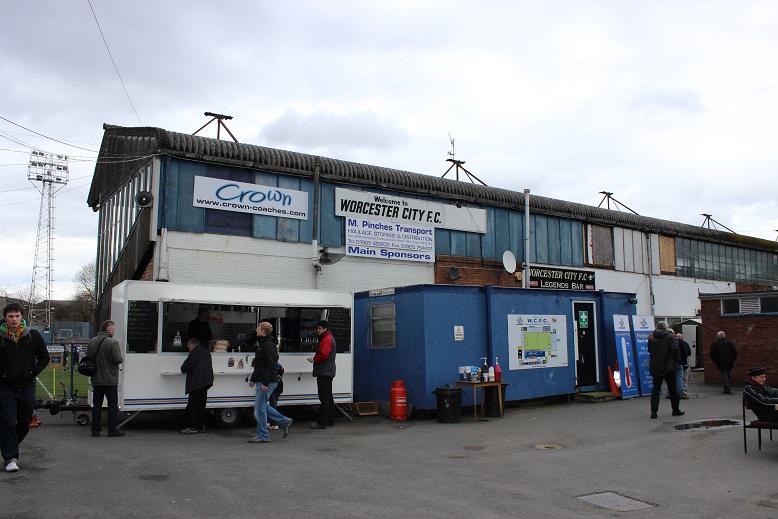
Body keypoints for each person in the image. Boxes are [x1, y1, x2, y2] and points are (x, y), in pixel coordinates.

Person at [0, 303, 50, 472]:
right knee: (7, 422)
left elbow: (44, 357)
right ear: (5, 318)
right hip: (5, 388)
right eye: (10, 316)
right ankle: (10, 458)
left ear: (22, 317)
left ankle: (9, 444)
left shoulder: (32, 336)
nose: (14, 320)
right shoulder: (1, 336)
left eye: (17, 316)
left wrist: (32, 372)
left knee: (24, 421)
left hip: (27, 386)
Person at [247, 322, 292, 443]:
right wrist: (253, 379)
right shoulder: (264, 344)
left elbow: (270, 364)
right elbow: (261, 365)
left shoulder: (267, 345)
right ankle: (283, 421)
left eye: (258, 328)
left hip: (267, 380)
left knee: (259, 409)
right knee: (262, 406)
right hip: (264, 379)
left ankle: (263, 435)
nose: (256, 330)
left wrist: (265, 382)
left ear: (263, 331)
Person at [89, 320, 124, 437]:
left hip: (96, 379)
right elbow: (118, 360)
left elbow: (89, 357)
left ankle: (95, 429)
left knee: (97, 405)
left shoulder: (92, 342)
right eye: (113, 329)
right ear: (109, 330)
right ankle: (112, 429)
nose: (114, 331)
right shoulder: (113, 342)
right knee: (112, 405)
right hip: (110, 379)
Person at [648, 321, 684, 419]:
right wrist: (676, 360)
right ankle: (675, 409)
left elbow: (649, 350)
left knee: (656, 389)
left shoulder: (651, 337)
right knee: (673, 389)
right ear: (666, 327)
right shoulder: (670, 336)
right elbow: (675, 350)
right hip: (669, 366)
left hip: (656, 365)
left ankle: (654, 411)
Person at [179, 338, 214, 434]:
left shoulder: (195, 352)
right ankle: (201, 425)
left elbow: (186, 366)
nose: (188, 349)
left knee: (193, 405)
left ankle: (192, 426)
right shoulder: (206, 352)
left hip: (196, 382)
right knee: (201, 405)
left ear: (191, 345)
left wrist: (182, 368)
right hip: (206, 382)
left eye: (188, 347)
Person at [308, 320, 336, 429]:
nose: (317, 330)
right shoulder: (330, 338)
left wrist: (314, 359)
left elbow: (324, 355)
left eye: (319, 328)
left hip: (324, 371)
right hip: (328, 371)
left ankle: (322, 422)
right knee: (328, 397)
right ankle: (330, 420)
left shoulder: (326, 339)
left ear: (324, 329)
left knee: (324, 397)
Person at [675, 332, 692, 399]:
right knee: (681, 377)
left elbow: (688, 352)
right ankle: (681, 392)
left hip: (681, 363)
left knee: (683, 378)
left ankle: (683, 391)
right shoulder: (683, 343)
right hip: (681, 363)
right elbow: (687, 353)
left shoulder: (684, 343)